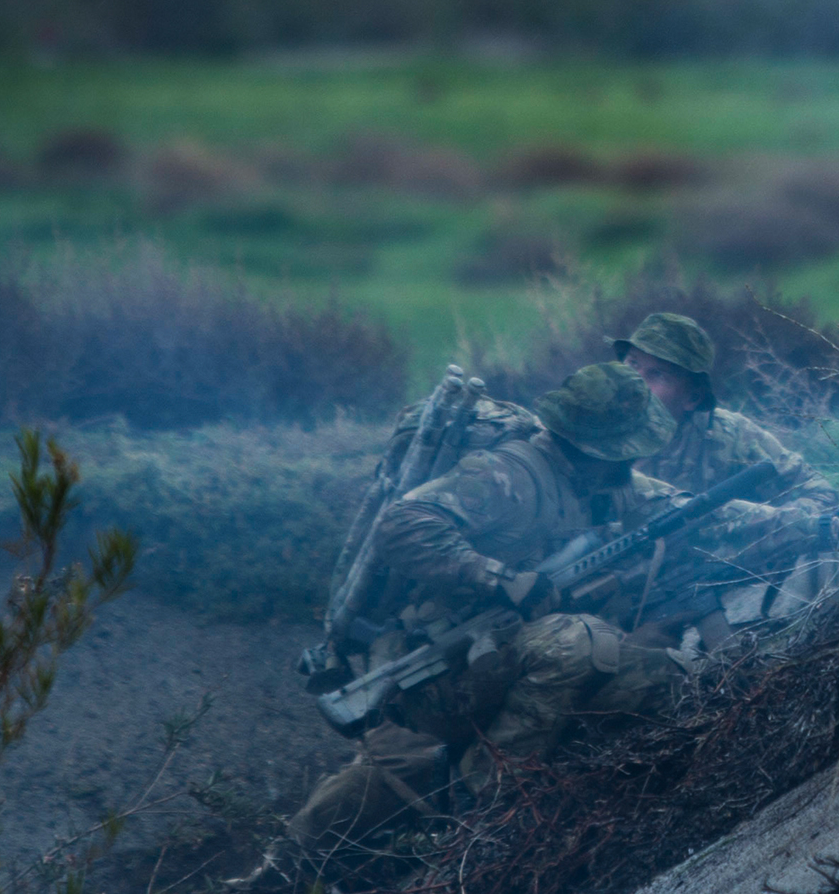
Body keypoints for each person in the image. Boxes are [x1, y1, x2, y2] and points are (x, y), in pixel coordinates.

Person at [233, 362, 808, 891]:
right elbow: (403, 524)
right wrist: (499, 577)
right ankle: (481, 822)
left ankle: (527, 818)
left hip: (515, 662)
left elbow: (687, 510)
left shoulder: (607, 488)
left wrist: (808, 524)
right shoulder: (509, 473)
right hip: (443, 670)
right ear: (594, 447)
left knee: (667, 677)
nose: (633, 462)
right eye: (626, 450)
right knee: (563, 651)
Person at [615, 312, 839, 515]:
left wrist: (753, 529)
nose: (634, 381)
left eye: (658, 374)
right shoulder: (594, 426)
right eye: (632, 363)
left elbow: (821, 494)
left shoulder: (730, 435)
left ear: (693, 398)